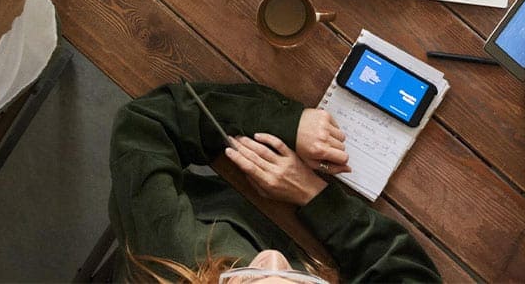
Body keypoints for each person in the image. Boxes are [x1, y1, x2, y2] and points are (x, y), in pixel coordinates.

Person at [111, 81, 441, 283]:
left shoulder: (168, 250)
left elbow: (144, 126)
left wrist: (284, 122)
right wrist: (312, 194)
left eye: (243, 281)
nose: (273, 259)